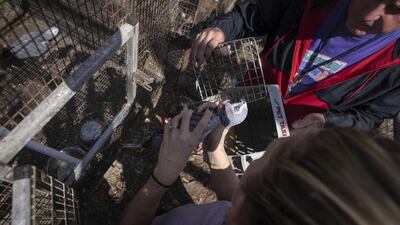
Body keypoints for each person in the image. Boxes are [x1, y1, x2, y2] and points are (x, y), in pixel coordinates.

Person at [120, 103, 400, 225]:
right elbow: (231, 198)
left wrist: (162, 177)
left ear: (242, 212)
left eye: (268, 156)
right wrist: (217, 150)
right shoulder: (256, 214)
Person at [190, 0, 400, 130]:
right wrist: (221, 30)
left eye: (394, 8)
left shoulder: (396, 68)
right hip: (248, 96)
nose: (370, 14)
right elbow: (252, 16)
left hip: (294, 138)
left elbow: (370, 116)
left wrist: (328, 122)